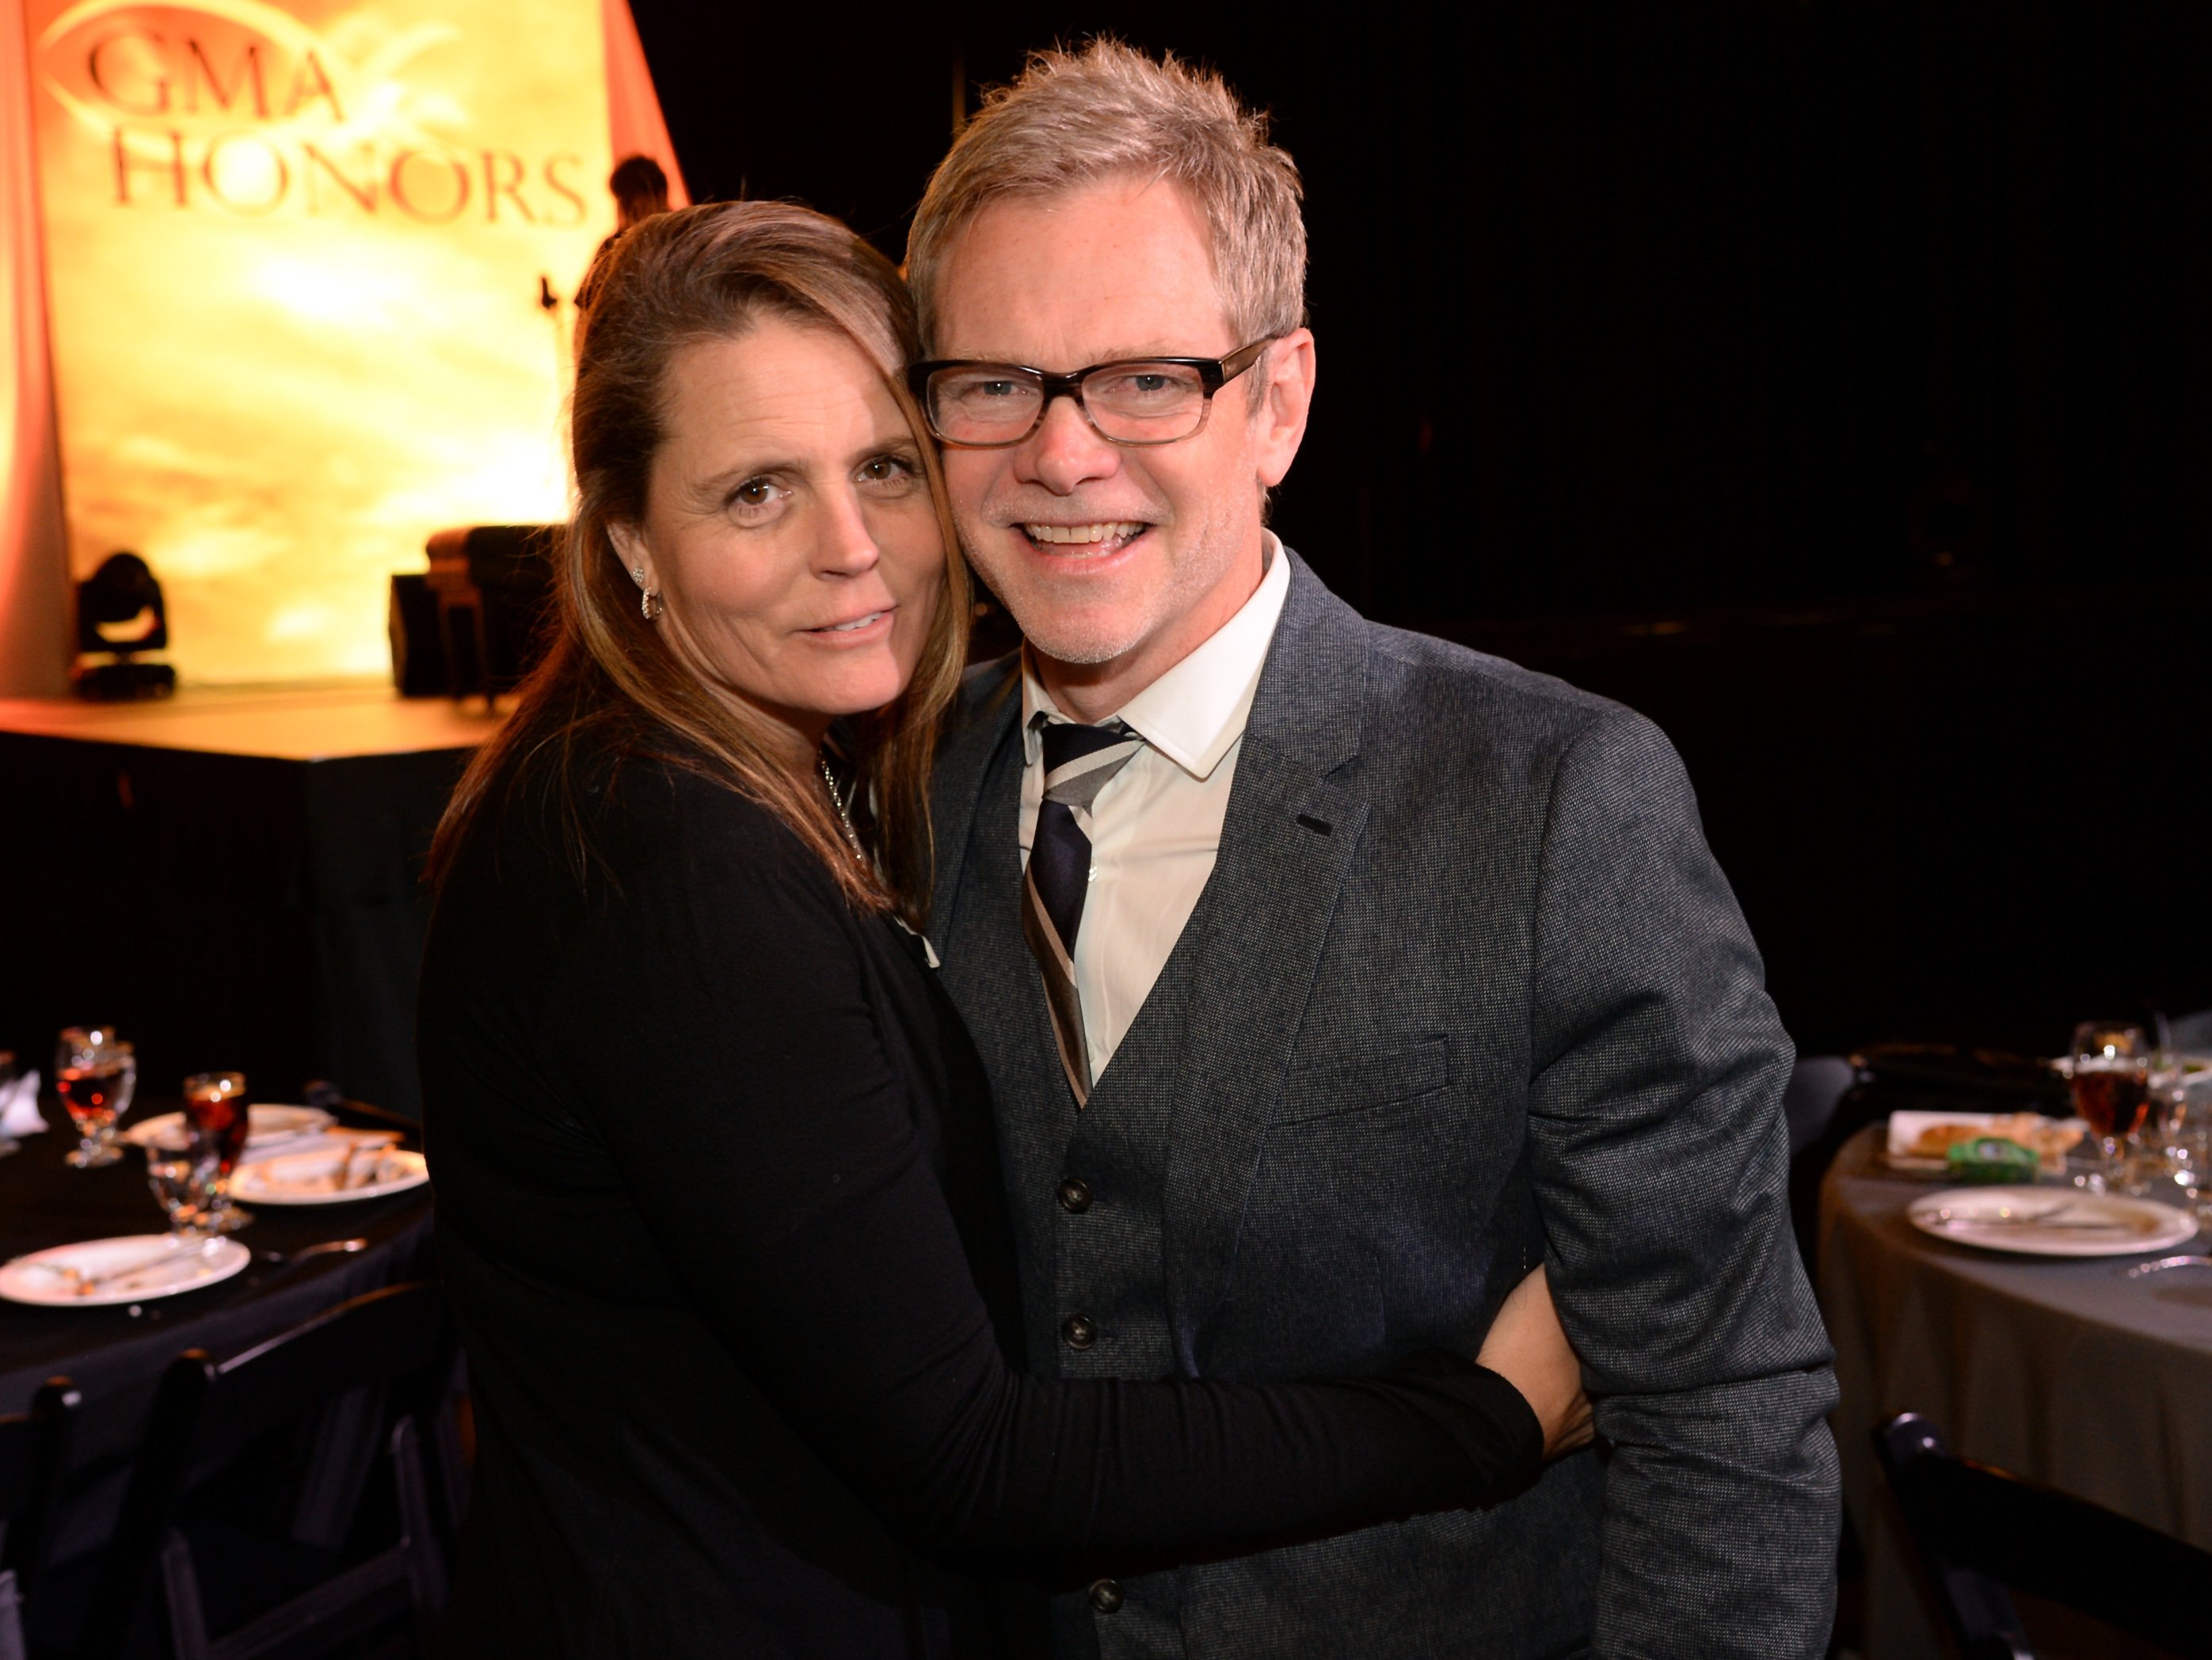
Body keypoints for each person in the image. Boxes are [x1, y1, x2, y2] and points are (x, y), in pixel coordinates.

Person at [417, 199, 1593, 1657]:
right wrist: (1480, 1423)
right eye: (756, 494)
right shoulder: (664, 862)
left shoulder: (787, 778)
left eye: (887, 470)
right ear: (629, 542)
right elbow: (972, 1457)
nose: (854, 551)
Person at [908, 40, 1842, 1660]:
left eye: (1147, 379)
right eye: (994, 382)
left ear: (1278, 400)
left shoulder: (1557, 802)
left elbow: (1722, 1426)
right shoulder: (897, 788)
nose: (1060, 455)